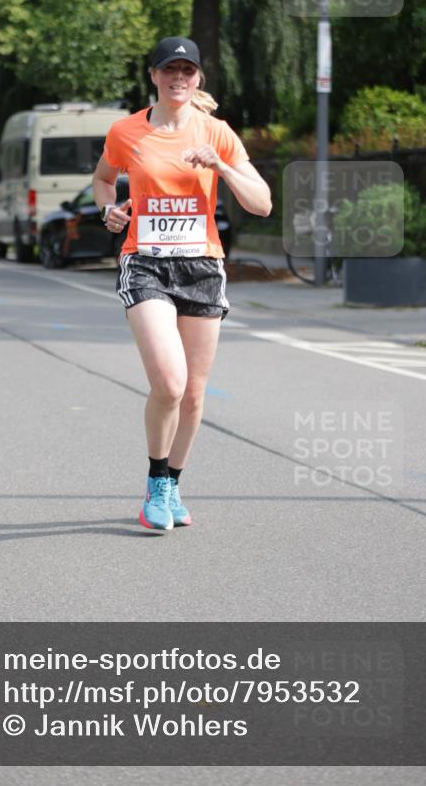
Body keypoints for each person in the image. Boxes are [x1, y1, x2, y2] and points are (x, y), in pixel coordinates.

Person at [93, 37, 272, 531]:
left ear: (198, 80)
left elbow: (262, 204)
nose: (178, 78)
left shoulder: (217, 133)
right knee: (169, 384)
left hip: (202, 267)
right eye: (169, 69)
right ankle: (154, 481)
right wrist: (108, 209)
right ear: (153, 75)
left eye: (187, 71)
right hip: (145, 261)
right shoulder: (126, 131)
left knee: (194, 395)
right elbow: (104, 179)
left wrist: (221, 167)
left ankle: (172, 482)